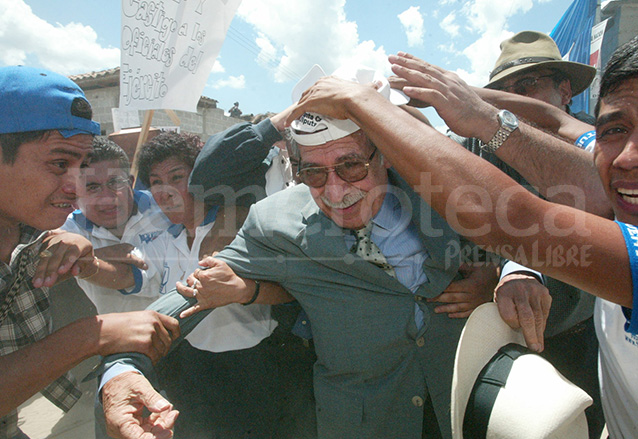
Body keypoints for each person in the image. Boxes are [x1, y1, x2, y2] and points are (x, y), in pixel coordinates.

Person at [287, 38, 638, 438]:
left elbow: (509, 218)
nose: (627, 155)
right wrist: (469, 101)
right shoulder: (596, 151)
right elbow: (553, 121)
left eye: (530, 82)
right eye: (616, 128)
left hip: (574, 346)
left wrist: (364, 104)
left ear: (566, 90)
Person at [99, 66, 470, 439]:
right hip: (366, 421)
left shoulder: (438, 188)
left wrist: (504, 276)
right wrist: (124, 365)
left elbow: (512, 231)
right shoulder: (275, 222)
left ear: (385, 154)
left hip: (458, 396)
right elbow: (190, 291)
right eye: (314, 174)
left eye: (352, 166)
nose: (336, 192)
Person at [0, 66, 179, 439]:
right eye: (60, 164)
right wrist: (93, 337)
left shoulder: (31, 235)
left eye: (81, 167)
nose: (76, 186)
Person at [447, 30, 604, 436]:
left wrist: (515, 271)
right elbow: (460, 217)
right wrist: (487, 271)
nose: (513, 98)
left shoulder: (601, 146)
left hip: (590, 338)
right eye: (502, 91)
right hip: (508, 347)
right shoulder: (481, 145)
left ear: (565, 90)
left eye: (527, 85)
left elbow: (592, 233)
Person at [129, 131, 291, 439]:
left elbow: (290, 291)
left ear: (202, 178)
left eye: (177, 177)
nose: (166, 192)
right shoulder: (164, 240)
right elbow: (129, 273)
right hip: (187, 370)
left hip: (253, 368)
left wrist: (243, 290)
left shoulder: (241, 229)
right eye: (155, 182)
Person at [60, 138, 172, 313]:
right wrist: (100, 255)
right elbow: (40, 263)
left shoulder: (164, 210)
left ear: (131, 182)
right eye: (92, 187)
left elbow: (131, 275)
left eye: (115, 182)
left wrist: (82, 258)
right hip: (120, 337)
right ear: (75, 193)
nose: (107, 197)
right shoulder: (68, 228)